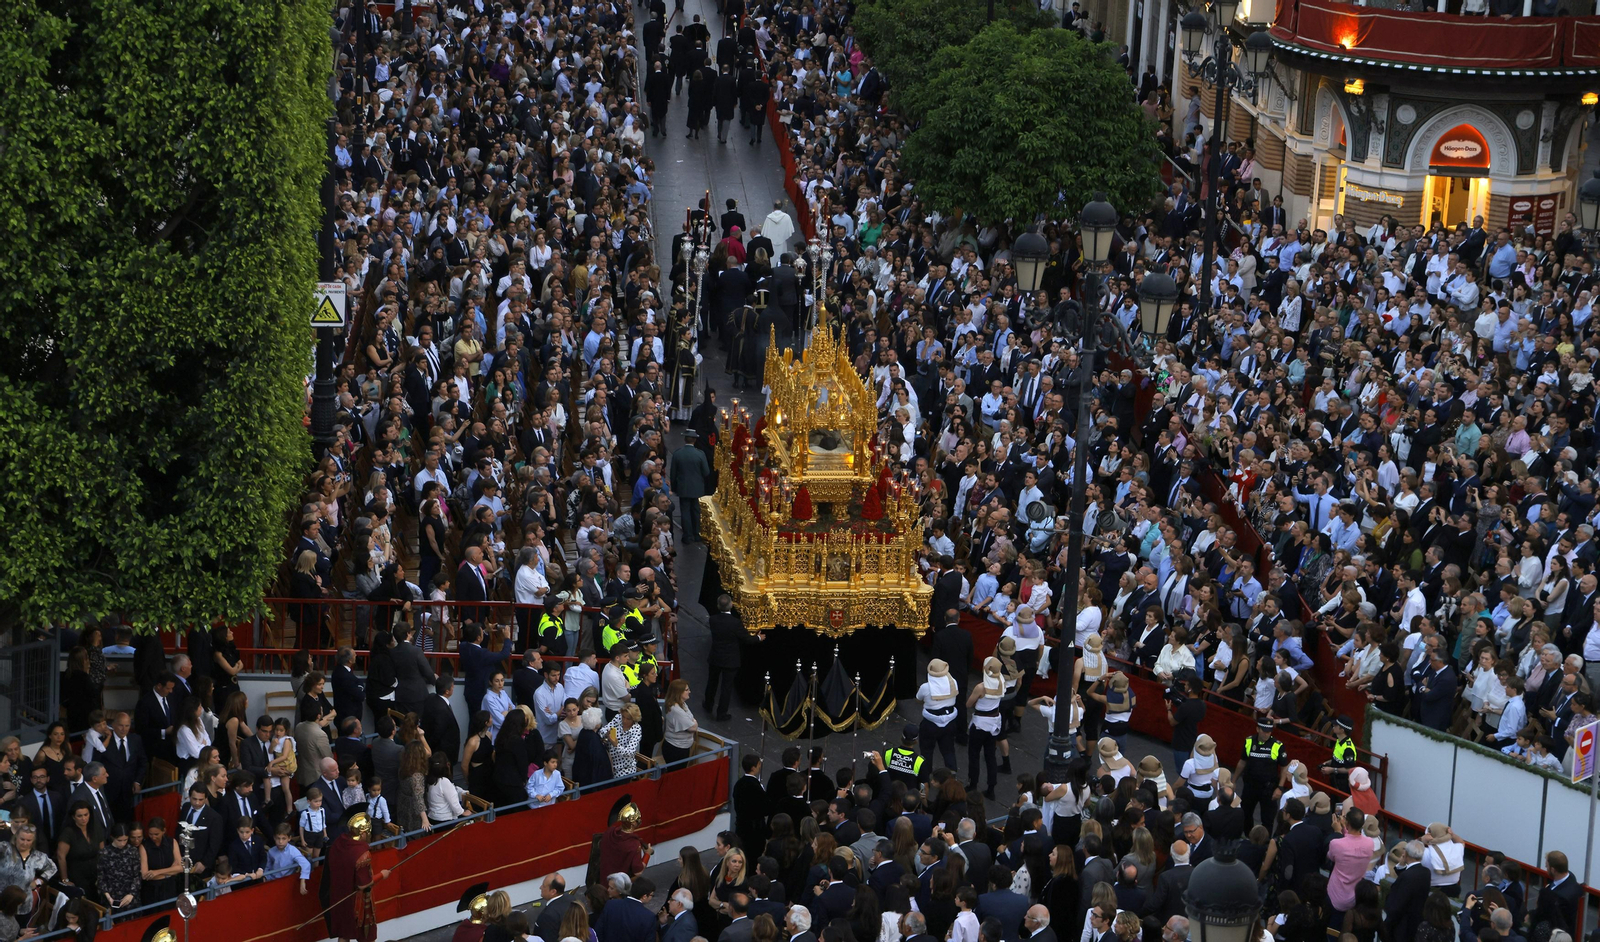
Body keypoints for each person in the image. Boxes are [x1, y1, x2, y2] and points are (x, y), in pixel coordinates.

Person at [320, 804, 389, 942]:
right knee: (366, 934)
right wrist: (382, 875)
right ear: (363, 833)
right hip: (358, 901)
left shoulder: (339, 842)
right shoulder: (362, 853)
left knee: (344, 933)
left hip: (339, 896)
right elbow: (363, 885)